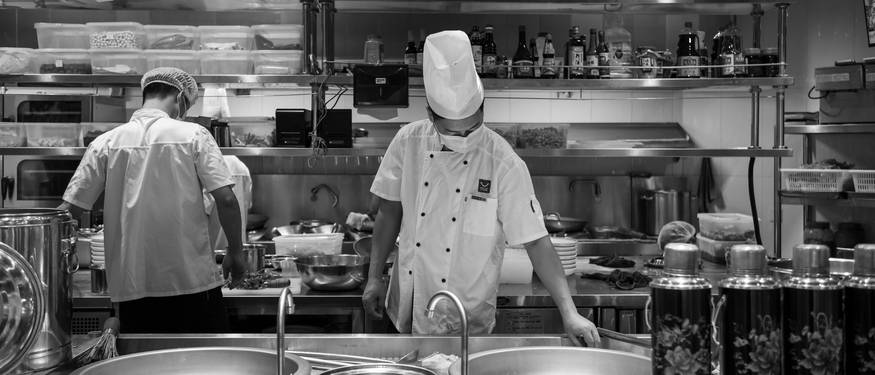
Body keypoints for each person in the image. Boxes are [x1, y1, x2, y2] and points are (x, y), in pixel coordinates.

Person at [361, 30, 600, 346]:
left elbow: (536, 240)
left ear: (483, 108)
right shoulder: (408, 142)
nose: (465, 139)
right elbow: (390, 210)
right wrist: (374, 277)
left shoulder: (502, 160)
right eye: (453, 133)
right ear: (431, 117)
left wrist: (569, 312)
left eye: (473, 127)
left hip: (469, 319)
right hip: (409, 304)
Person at [59, 67, 247, 333]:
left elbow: (69, 212)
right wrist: (236, 252)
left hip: (132, 289)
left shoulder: (105, 143)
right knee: (205, 364)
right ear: (180, 97)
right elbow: (226, 199)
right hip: (192, 284)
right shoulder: (194, 135)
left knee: (143, 364)